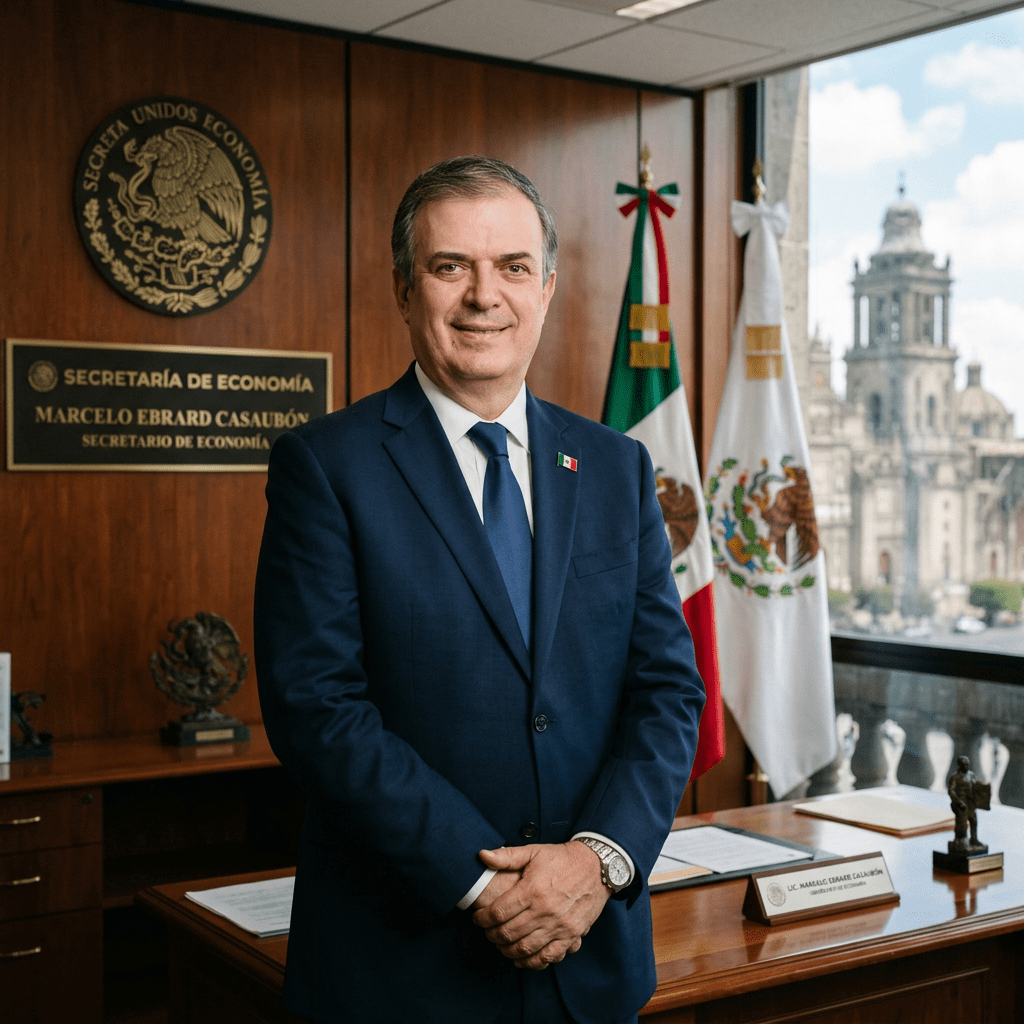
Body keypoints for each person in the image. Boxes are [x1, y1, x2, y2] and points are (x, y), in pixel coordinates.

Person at [254, 155, 705, 1024]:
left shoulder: (616, 466)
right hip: (403, 969)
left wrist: (597, 861)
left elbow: (667, 690)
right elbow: (319, 709)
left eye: (513, 267)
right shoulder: (326, 467)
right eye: (449, 266)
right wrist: (484, 886)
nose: (482, 296)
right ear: (403, 286)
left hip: (590, 961)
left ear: (547, 288)